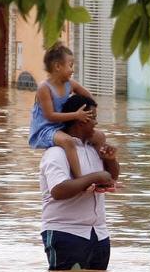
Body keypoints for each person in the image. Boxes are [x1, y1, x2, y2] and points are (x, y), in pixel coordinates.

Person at [39, 94, 120, 271]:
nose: (96, 124)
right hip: (66, 233)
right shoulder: (56, 153)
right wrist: (95, 178)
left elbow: (111, 177)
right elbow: (58, 190)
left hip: (98, 234)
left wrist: (111, 160)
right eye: (94, 118)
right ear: (80, 120)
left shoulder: (93, 148)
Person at [29, 42, 105, 178]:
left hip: (63, 126)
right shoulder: (44, 88)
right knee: (68, 142)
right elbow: (50, 116)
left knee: (100, 136)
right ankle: (80, 178)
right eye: (70, 65)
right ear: (58, 66)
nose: (73, 70)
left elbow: (89, 97)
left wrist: (91, 114)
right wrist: (76, 115)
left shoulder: (70, 84)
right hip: (46, 129)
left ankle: (105, 172)